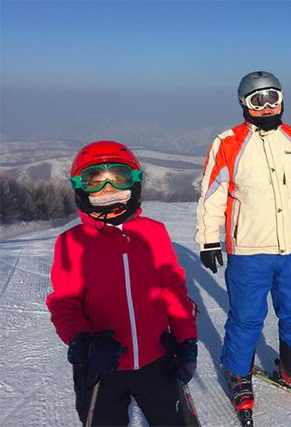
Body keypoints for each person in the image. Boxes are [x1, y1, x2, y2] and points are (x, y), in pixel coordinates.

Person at [195, 71, 291, 416]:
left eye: (273, 97)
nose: (267, 106)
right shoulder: (228, 142)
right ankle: (237, 372)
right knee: (247, 318)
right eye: (258, 100)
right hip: (250, 250)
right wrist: (209, 239)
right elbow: (213, 193)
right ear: (244, 103)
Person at [46, 141, 199, 426]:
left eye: (119, 178)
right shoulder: (72, 243)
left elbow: (173, 290)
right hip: (103, 366)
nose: (108, 190)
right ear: (81, 188)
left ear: (135, 183)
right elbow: (65, 303)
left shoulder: (153, 233)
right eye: (96, 182)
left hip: (156, 359)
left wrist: (186, 338)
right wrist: (83, 343)